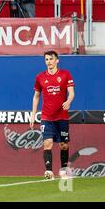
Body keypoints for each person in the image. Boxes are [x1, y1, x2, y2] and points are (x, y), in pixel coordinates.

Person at [30, 51, 75, 179]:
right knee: (47, 143)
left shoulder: (65, 74)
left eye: (51, 59)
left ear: (57, 60)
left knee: (64, 145)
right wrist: (33, 115)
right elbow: (36, 96)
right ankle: (49, 171)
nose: (49, 61)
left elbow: (71, 92)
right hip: (46, 117)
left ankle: (63, 169)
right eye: (46, 59)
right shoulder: (40, 77)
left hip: (62, 117)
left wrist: (68, 101)